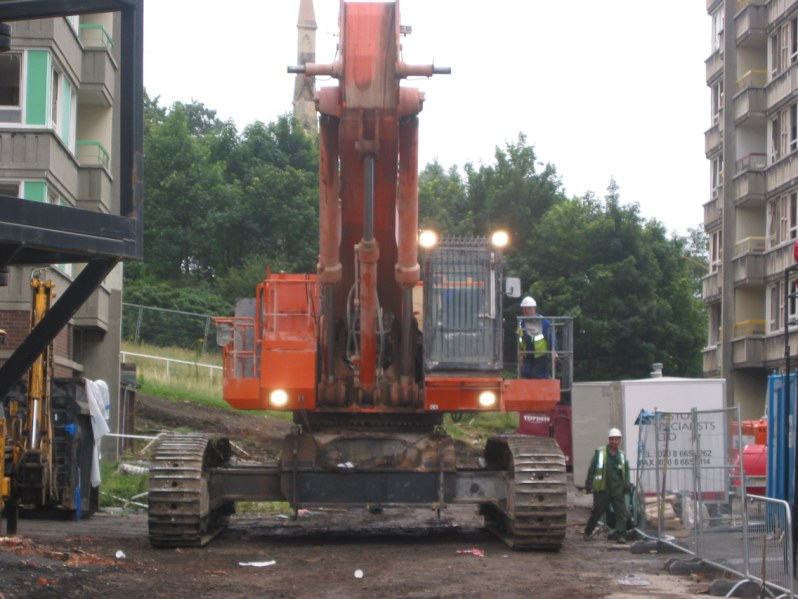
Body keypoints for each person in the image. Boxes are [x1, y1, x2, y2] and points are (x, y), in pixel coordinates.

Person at [583, 427, 632, 543]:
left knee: (621, 512)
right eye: (612, 439)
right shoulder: (601, 453)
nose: (615, 442)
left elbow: (626, 470)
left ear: (619, 440)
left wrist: (626, 483)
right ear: (609, 440)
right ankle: (588, 532)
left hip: (617, 488)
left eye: (617, 439)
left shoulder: (621, 456)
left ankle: (621, 535)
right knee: (598, 511)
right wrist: (589, 483)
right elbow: (592, 468)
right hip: (602, 488)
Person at [517, 296, 554, 379]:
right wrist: (521, 355)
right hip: (528, 356)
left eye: (528, 308)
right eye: (524, 309)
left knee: (537, 375)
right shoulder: (522, 323)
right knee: (525, 372)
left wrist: (554, 353)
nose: (526, 311)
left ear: (534, 309)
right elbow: (521, 340)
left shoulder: (543, 322)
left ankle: (546, 383)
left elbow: (551, 338)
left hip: (541, 356)